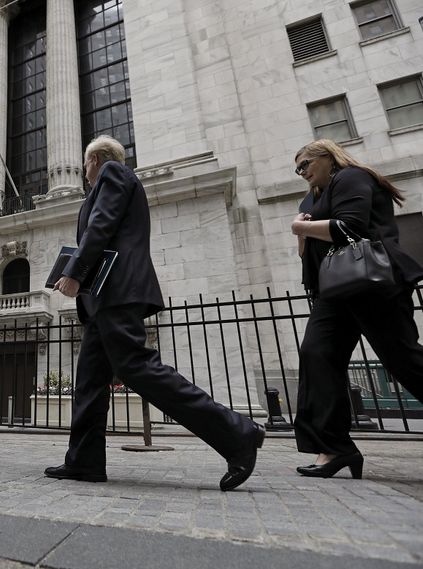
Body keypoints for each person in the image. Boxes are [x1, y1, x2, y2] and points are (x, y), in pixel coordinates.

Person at [45, 135, 264, 491]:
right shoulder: (106, 182)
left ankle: (237, 432)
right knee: (88, 381)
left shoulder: (113, 173)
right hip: (102, 299)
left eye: (86, 165)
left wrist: (74, 271)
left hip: (116, 292)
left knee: (137, 367)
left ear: (96, 159)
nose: (85, 173)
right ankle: (83, 461)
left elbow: (101, 224)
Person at [290, 139, 423, 478]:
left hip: (372, 285)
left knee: (402, 358)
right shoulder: (311, 197)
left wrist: (302, 226)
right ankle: (335, 448)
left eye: (305, 164)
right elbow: (307, 254)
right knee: (316, 355)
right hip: (332, 291)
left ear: (328, 157)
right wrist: (303, 234)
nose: (301, 172)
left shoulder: (351, 177)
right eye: (297, 168)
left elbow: (351, 229)